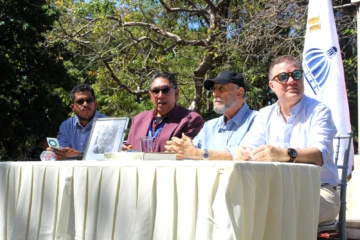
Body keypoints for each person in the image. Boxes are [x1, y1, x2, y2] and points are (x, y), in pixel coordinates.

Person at [235, 55, 340, 224]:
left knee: (279, 211)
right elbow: (249, 146)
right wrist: (243, 152)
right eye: (283, 77)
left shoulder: (320, 111)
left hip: (320, 191)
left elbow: (319, 155)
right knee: (238, 204)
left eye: (296, 75)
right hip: (276, 190)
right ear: (272, 86)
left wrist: (284, 154)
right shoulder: (264, 115)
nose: (291, 80)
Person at [164, 70, 257, 160]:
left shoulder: (258, 120)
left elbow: (245, 156)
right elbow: (190, 153)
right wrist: (179, 150)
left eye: (221, 89)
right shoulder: (209, 126)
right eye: (214, 89)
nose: (214, 94)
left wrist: (199, 153)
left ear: (239, 92)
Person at [122, 72, 204, 152]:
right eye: (155, 91)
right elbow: (129, 148)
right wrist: (125, 150)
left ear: (176, 93)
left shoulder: (191, 120)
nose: (160, 95)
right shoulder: (138, 120)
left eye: (165, 90)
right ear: (150, 95)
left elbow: (190, 153)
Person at [50, 84, 107, 160]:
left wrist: (79, 155)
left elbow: (109, 156)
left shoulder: (109, 124)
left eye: (89, 100)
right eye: (80, 101)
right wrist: (56, 152)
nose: (85, 104)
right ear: (72, 107)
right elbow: (63, 152)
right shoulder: (66, 126)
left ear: (95, 104)